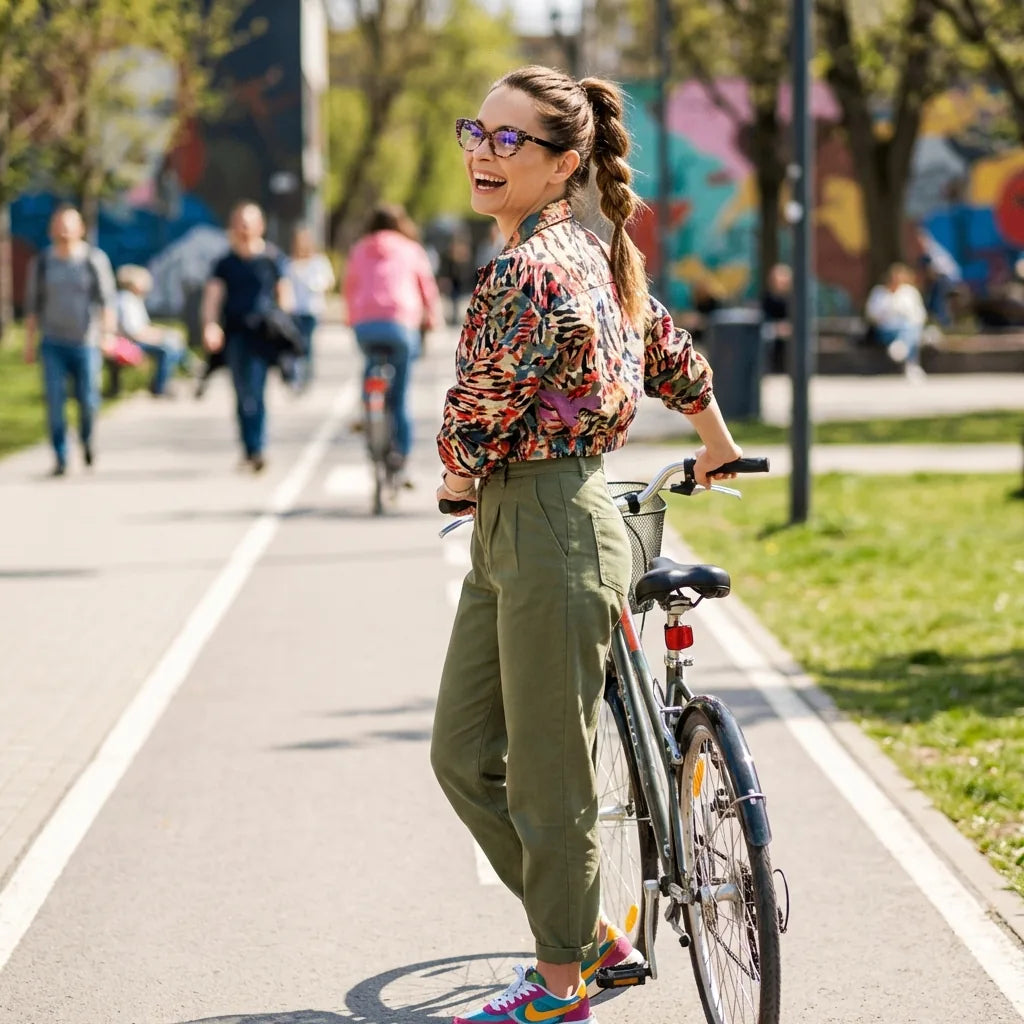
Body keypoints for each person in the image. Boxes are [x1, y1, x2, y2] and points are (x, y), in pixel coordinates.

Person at [431, 65, 745, 1024]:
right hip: (530, 526)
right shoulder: (590, 253)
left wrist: (454, 474)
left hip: (547, 522)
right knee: (462, 752)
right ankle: (591, 936)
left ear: (564, 164)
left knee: (549, 771)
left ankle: (560, 984)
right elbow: (668, 352)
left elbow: (478, 409)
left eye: (508, 140)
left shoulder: (528, 268)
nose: (484, 153)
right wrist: (717, 443)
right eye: (475, 132)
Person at [343, 203, 442, 479]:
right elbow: (426, 287)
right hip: (401, 323)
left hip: (366, 324)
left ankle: (367, 408)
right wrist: (431, 317)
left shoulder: (360, 248)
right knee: (399, 396)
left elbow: (349, 285)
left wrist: (350, 317)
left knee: (370, 364)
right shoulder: (411, 249)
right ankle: (402, 454)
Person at [23, 204, 117, 476]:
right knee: (55, 403)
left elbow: (106, 302)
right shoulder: (41, 263)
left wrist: (107, 335)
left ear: (81, 229)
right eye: (59, 225)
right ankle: (61, 456)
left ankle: (87, 440)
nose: (64, 231)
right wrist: (29, 345)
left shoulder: (93, 260)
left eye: (69, 225)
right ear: (51, 229)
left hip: (86, 343)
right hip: (52, 343)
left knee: (88, 400)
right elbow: (33, 308)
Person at [200, 201, 294, 472]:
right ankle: (250, 446)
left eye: (249, 222)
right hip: (236, 335)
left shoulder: (272, 259)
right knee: (243, 393)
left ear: (260, 226)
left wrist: (283, 324)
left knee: (257, 391)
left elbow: (284, 295)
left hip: (263, 335)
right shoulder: (225, 263)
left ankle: (258, 447)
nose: (244, 228)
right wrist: (210, 325)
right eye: (239, 222)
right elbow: (212, 298)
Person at [115, 264, 193, 397]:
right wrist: (160, 337)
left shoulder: (134, 300)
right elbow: (134, 332)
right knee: (167, 349)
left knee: (173, 342)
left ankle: (183, 369)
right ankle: (160, 386)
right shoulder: (126, 301)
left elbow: (142, 327)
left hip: (134, 339)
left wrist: (163, 334)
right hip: (128, 343)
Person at [285, 225, 336, 389]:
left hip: (312, 309)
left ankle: (306, 374)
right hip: (294, 310)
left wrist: (317, 285)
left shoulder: (318, 262)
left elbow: (329, 281)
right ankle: (296, 373)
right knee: (296, 343)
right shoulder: (290, 263)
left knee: (307, 343)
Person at [865, 262, 927, 380]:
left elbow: (919, 314)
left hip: (908, 326)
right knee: (911, 334)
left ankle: (901, 346)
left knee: (910, 330)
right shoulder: (879, 292)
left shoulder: (910, 293)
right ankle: (911, 365)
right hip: (886, 329)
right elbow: (871, 314)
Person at [761, 262, 792, 374]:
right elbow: (764, 319)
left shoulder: (793, 300)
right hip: (773, 334)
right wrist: (777, 327)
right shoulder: (767, 299)